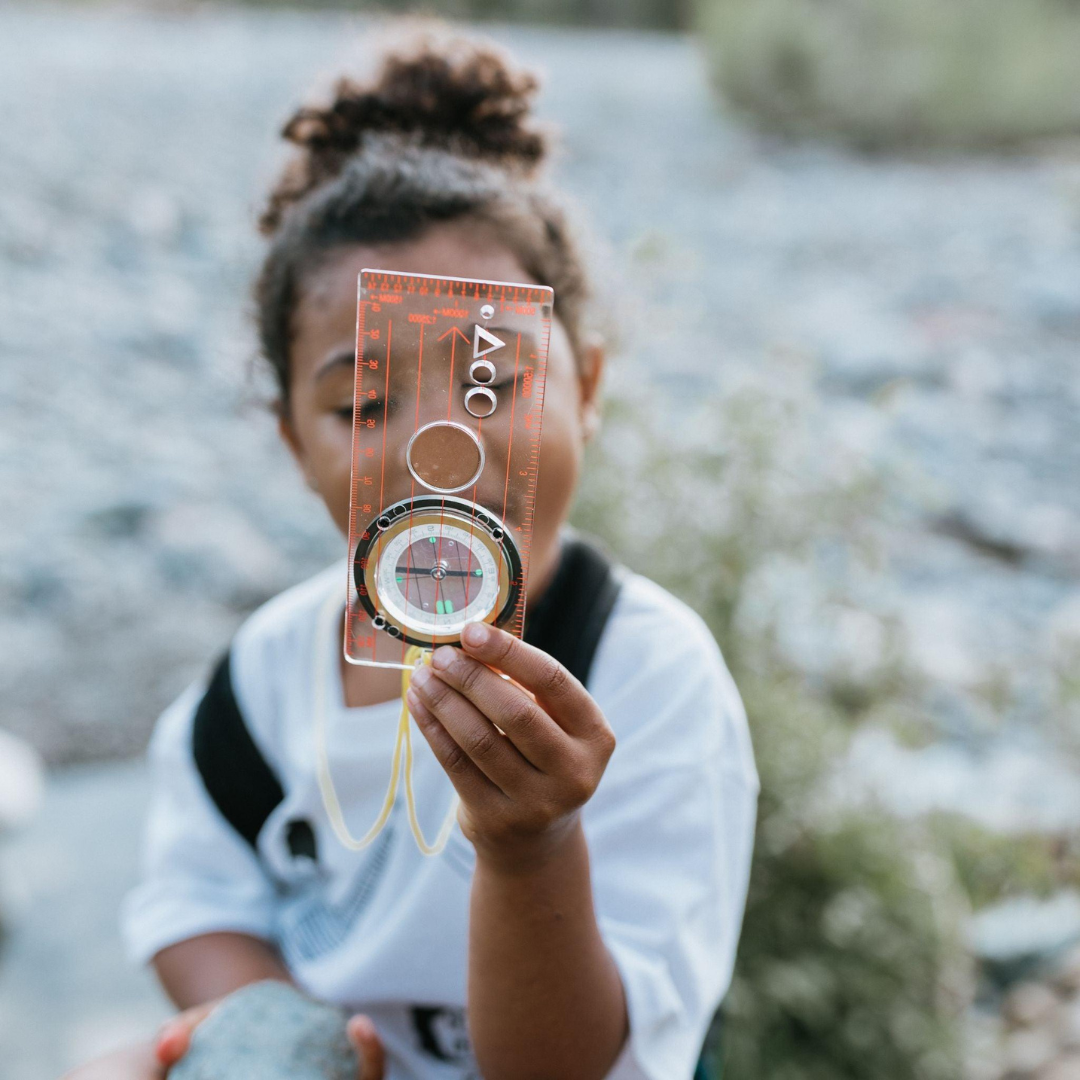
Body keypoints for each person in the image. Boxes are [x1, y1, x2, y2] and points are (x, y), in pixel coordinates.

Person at [64, 29, 758, 1080]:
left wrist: (530, 848)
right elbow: (190, 902)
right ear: (296, 442)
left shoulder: (646, 674)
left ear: (592, 386)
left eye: (495, 384)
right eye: (365, 402)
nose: (445, 449)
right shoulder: (261, 684)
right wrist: (273, 1034)